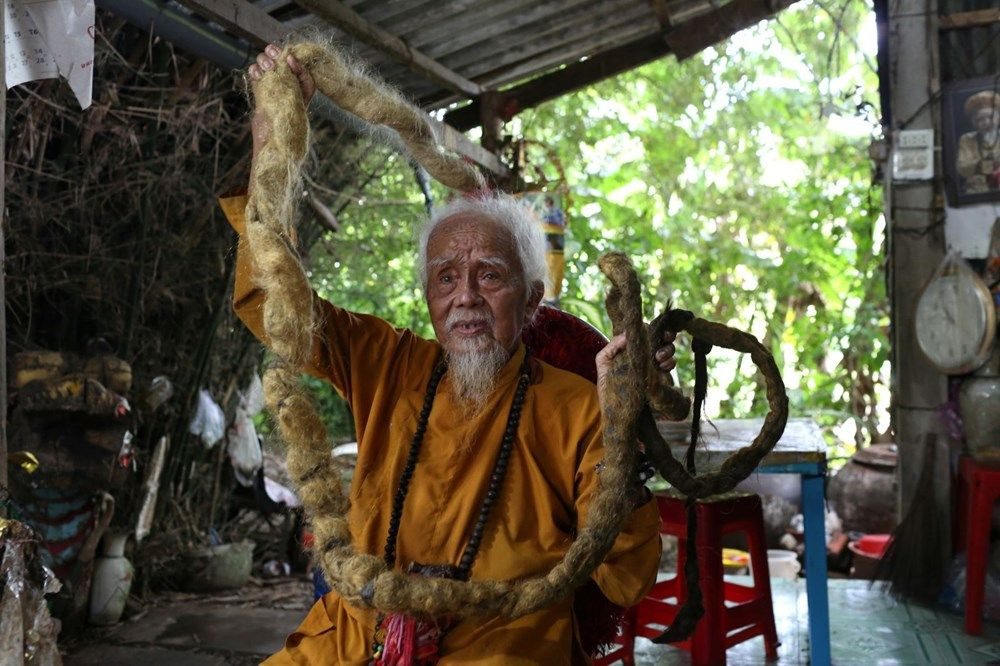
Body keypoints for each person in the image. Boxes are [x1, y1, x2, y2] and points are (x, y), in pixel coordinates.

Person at [226, 44, 679, 664]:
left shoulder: (578, 406)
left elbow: (627, 580)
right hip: (356, 639)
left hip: (500, 647)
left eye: (490, 275)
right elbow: (267, 302)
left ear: (531, 301)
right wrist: (269, 137)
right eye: (445, 278)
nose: (464, 296)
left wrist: (623, 427)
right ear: (428, 297)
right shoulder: (386, 362)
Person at [956, 89, 1000, 195]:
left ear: (998, 117)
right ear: (973, 122)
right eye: (980, 119)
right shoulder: (967, 139)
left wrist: (979, 166)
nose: (986, 122)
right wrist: (992, 164)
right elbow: (962, 169)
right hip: (977, 194)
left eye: (990, 117)